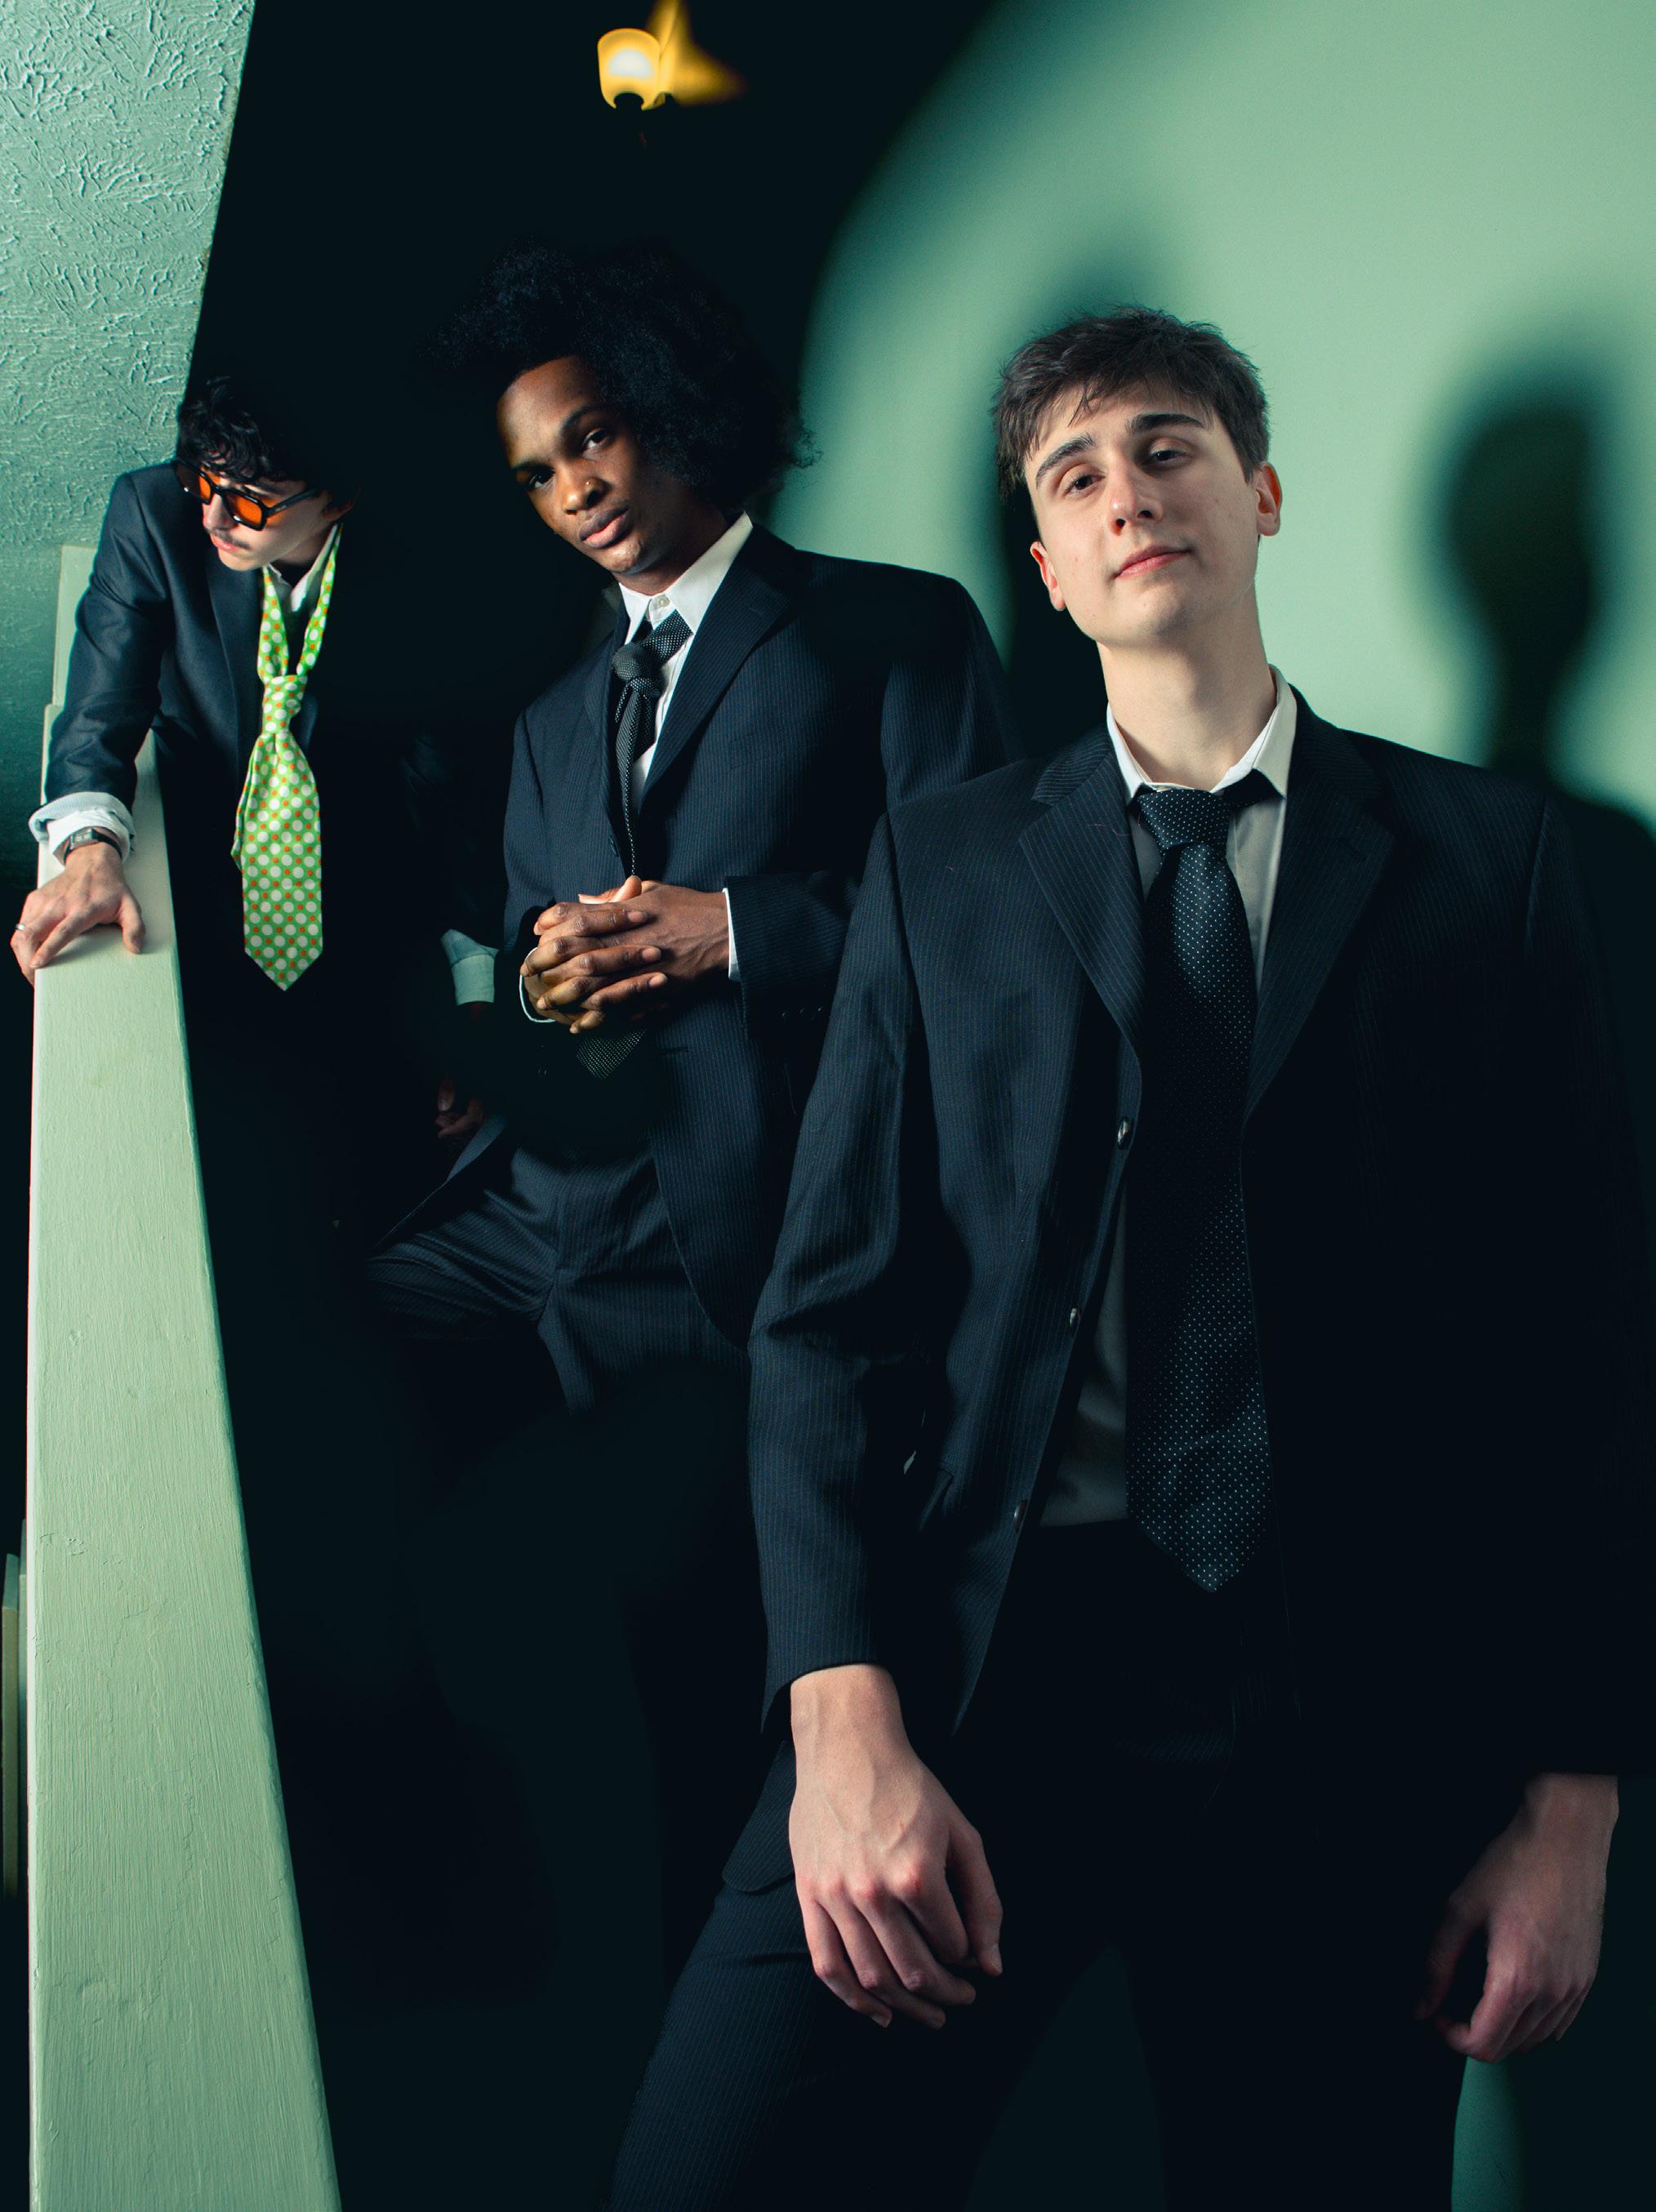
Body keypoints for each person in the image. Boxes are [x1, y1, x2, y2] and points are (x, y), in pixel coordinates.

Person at [608, 307, 1654, 2210]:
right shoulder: (938, 870)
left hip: (1345, 1719)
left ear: (1259, 494)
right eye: (1074, 476)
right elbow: (824, 1321)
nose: (1127, 496)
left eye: (1168, 449)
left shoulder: (1497, 862)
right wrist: (838, 1717)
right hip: (971, 1672)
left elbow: (1586, 1353)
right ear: (1043, 563)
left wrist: (1571, 1801)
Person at [365, 240, 1014, 1969]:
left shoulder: (891, 628)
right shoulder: (546, 724)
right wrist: (538, 990)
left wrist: (738, 929)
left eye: (589, 437)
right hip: (551, 1205)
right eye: (534, 474)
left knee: (690, 1649)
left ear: (670, 410)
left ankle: (694, 1965)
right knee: (310, 1348)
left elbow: (990, 923)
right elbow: (531, 955)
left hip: (753, 1223)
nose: (572, 491)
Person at [12, 367, 497, 1231]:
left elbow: (446, 785)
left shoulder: (422, 564)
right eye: (205, 482)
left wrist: (472, 987)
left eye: (249, 501)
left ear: (339, 497)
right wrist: (91, 849)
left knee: (388, 1156)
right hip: (202, 860)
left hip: (361, 884)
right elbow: (97, 707)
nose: (214, 519)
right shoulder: (153, 513)